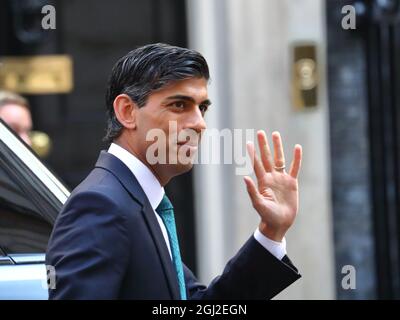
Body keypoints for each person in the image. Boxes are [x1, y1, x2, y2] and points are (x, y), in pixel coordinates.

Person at [46, 43, 303, 299]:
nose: (199, 124)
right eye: (179, 105)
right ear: (127, 111)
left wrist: (271, 231)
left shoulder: (138, 201)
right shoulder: (101, 205)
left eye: (202, 108)